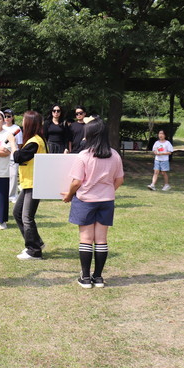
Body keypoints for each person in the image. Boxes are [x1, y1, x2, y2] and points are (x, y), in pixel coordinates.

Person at [62, 117, 124, 289]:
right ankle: (98, 277)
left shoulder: (84, 156)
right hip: (106, 201)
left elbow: (76, 182)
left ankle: (85, 277)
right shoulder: (115, 155)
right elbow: (119, 179)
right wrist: (108, 191)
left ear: (90, 135)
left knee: (86, 239)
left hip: (86, 200)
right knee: (101, 239)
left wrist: (69, 195)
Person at [12, 111, 47, 260]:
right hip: (29, 183)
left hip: (34, 183)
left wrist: (12, 143)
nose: (22, 123)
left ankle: (34, 250)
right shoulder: (34, 140)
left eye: (24, 121)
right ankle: (36, 242)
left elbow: (18, 157)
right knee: (17, 213)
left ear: (30, 124)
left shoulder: (35, 142)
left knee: (27, 217)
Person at [3, 109, 23, 203]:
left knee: (13, 175)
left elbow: (19, 144)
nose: (6, 118)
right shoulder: (2, 127)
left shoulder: (16, 128)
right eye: (5, 116)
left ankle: (13, 196)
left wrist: (15, 152)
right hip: (2, 154)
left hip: (13, 155)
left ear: (12, 117)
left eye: (9, 116)